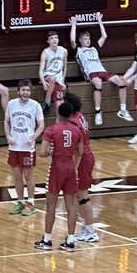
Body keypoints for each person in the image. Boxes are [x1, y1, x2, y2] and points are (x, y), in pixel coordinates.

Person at [34, 102, 82, 252]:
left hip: (57, 167)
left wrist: (50, 153)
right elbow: (80, 152)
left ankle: (47, 240)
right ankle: (71, 241)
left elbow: (41, 153)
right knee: (71, 207)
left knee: (51, 206)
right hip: (70, 167)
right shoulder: (76, 130)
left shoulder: (51, 130)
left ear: (58, 113)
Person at [70, 14, 132, 127]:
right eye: (85, 39)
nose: (87, 40)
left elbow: (104, 36)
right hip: (91, 73)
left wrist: (99, 19)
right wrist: (74, 24)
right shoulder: (79, 50)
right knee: (98, 84)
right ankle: (98, 112)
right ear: (81, 40)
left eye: (88, 38)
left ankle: (123, 109)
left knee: (121, 81)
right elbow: (72, 40)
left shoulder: (94, 48)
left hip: (102, 70)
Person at [4, 79, 45, 217]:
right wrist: (8, 136)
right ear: (18, 91)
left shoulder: (35, 106)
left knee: (28, 175)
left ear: (30, 92)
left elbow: (41, 125)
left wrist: (33, 138)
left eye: (28, 90)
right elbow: (6, 122)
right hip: (14, 146)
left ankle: (31, 202)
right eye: (23, 90)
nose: (25, 93)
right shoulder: (11, 104)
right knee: (16, 175)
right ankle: (20, 201)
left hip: (28, 148)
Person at [62, 91, 99, 243]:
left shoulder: (73, 122)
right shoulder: (80, 116)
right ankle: (86, 227)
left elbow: (78, 150)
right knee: (80, 195)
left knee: (83, 196)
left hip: (82, 159)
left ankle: (91, 230)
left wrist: (73, 168)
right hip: (87, 156)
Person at [38, 30, 68, 114]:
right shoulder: (45, 52)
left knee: (60, 104)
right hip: (47, 76)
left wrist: (63, 81)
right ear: (48, 41)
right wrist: (43, 82)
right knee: (52, 78)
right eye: (51, 38)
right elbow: (41, 70)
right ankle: (47, 102)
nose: (54, 40)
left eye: (56, 38)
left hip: (58, 79)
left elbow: (65, 67)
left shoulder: (64, 51)